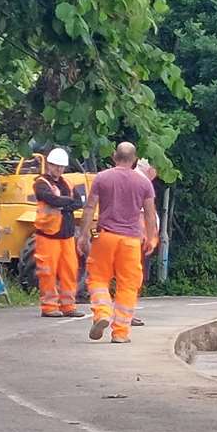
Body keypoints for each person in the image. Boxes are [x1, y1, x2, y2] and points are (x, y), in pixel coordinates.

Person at [79, 142, 158, 344]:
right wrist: (151, 237)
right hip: (131, 241)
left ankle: (102, 313)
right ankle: (121, 333)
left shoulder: (102, 177)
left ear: (114, 156)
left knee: (97, 278)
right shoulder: (144, 183)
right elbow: (149, 214)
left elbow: (89, 207)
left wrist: (83, 235)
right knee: (128, 285)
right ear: (134, 159)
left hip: (104, 236)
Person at [32, 147, 87, 318]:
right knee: (47, 272)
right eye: (56, 166)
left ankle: (68, 306)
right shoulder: (41, 183)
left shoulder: (67, 183)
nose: (59, 170)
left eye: (62, 167)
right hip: (48, 235)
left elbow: (79, 202)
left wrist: (63, 203)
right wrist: (66, 203)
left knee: (70, 271)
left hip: (67, 235)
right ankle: (49, 306)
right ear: (49, 165)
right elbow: (51, 199)